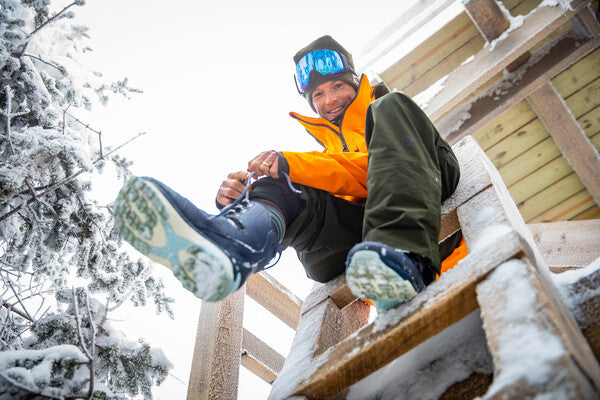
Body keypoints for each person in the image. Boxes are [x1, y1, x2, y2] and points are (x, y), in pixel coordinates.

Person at [114, 35, 462, 312]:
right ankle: (235, 242)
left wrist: (293, 165)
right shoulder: (321, 157)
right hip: (353, 248)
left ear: (355, 83)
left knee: (389, 107)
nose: (329, 101)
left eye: (338, 86)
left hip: (426, 196)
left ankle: (404, 258)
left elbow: (373, 172)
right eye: (318, 95)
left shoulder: (388, 114)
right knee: (277, 185)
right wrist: (246, 198)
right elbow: (336, 180)